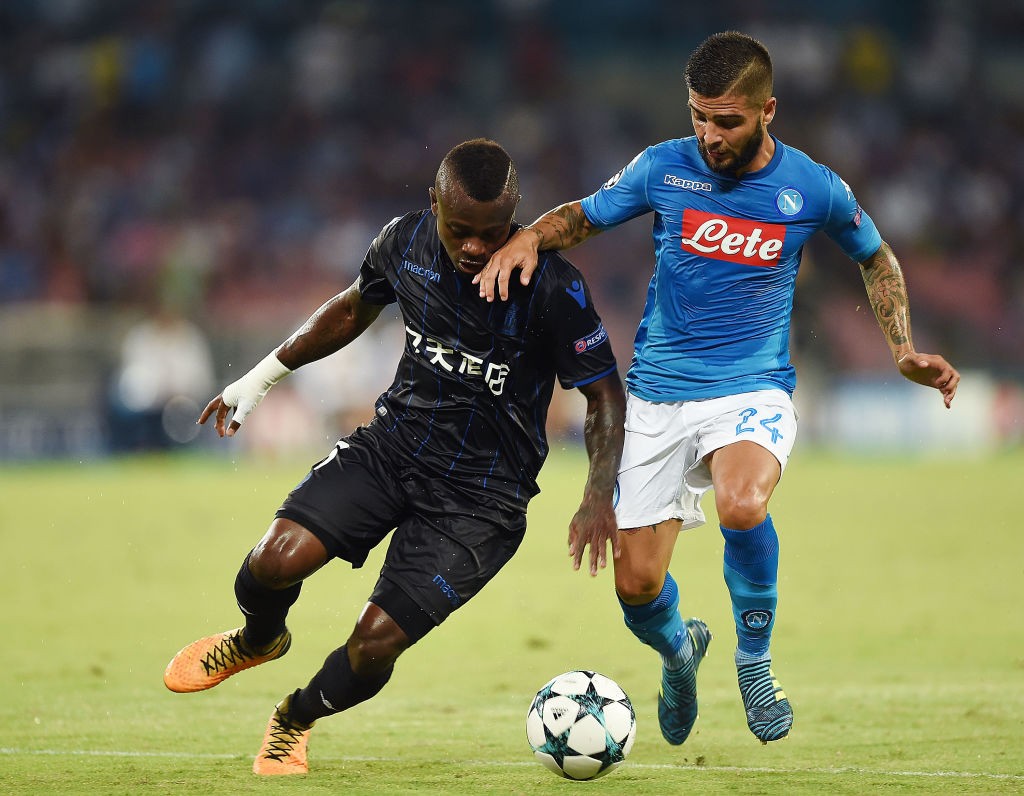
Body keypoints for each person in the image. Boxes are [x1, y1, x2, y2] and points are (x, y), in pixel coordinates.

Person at [475, 31, 960, 747]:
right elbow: (583, 212)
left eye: (726, 120)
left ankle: (754, 661)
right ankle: (679, 653)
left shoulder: (810, 187)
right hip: (658, 396)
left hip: (751, 388)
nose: (709, 134)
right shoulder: (663, 169)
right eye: (699, 115)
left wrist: (903, 348)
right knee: (636, 587)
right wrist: (530, 239)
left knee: (742, 503)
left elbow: (876, 255)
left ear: (768, 110)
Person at [163, 139, 626, 775]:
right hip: (392, 449)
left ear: (515, 218)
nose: (473, 248)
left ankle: (294, 716)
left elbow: (603, 393)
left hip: (481, 501)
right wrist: (263, 376)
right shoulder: (406, 242)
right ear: (433, 204)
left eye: (491, 235)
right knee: (273, 563)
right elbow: (356, 305)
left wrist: (598, 493)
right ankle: (258, 637)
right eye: (459, 230)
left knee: (374, 641)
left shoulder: (552, 287)